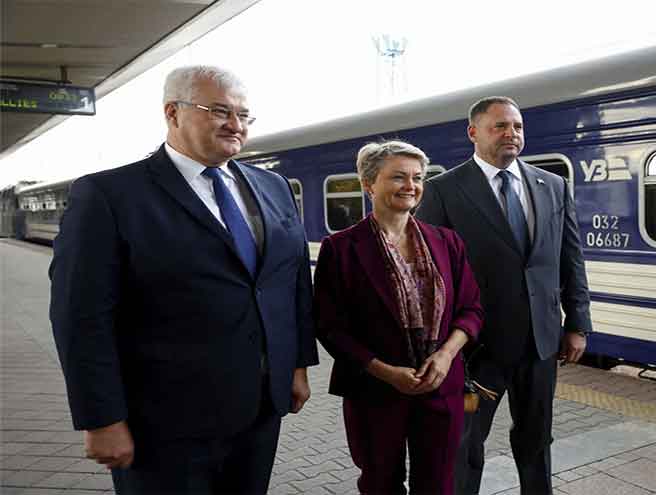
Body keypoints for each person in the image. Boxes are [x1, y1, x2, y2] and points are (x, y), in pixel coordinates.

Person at [49, 65, 318, 494]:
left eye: (244, 115)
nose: (235, 125)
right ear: (172, 112)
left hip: (260, 410)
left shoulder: (273, 187)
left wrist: (297, 365)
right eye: (219, 111)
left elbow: (292, 283)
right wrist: (102, 418)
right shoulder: (109, 195)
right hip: (162, 422)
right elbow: (80, 317)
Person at [416, 96, 593, 494]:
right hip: (477, 353)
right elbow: (431, 276)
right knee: (465, 441)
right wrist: (439, 345)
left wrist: (578, 323)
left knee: (536, 438)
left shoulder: (553, 186)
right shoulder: (442, 191)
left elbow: (570, 259)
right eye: (499, 126)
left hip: (540, 346)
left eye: (517, 126)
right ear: (473, 132)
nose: (511, 133)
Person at [313, 140, 484, 495]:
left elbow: (471, 308)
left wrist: (446, 355)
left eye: (417, 178)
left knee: (437, 485)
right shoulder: (341, 248)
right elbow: (330, 327)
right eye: (398, 177)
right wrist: (385, 371)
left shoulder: (447, 241)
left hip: (440, 384)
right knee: (380, 483)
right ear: (369, 184)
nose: (411, 186)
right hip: (374, 390)